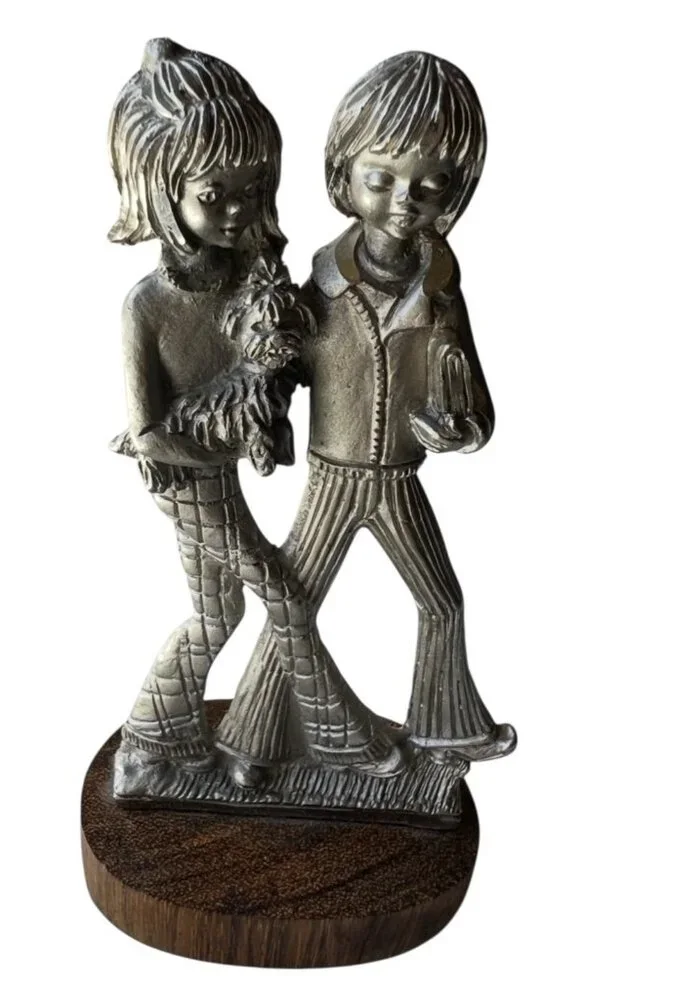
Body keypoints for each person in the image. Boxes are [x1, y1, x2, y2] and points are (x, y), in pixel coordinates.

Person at [108, 39, 398, 786]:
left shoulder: (252, 280)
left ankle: (158, 739)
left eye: (252, 188)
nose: (238, 211)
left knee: (218, 617)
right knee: (284, 595)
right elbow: (149, 432)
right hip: (189, 483)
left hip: (218, 477)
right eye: (215, 196)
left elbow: (285, 357)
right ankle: (339, 741)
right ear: (160, 189)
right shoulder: (147, 307)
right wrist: (228, 438)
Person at [217, 51, 517, 767]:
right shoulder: (320, 286)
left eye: (429, 185)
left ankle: (445, 728)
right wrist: (259, 398)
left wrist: (463, 428)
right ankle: (249, 741)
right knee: (295, 605)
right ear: (342, 176)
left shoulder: (441, 290)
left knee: (442, 602)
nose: (404, 200)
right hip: (334, 476)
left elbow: (470, 389)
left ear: (456, 190)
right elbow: (280, 366)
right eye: (381, 179)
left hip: (399, 478)